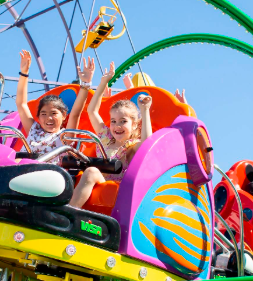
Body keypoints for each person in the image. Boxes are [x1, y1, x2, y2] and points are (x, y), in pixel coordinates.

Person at [68, 61, 152, 209]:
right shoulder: (105, 137)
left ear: (134, 125)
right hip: (99, 183)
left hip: (118, 190)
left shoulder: (131, 145)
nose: (117, 126)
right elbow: (92, 111)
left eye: (123, 121)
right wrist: (103, 82)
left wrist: (144, 110)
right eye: (113, 121)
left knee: (91, 171)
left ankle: (70, 211)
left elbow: (147, 144)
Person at [17, 50, 71, 158]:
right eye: (44, 114)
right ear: (38, 117)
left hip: (46, 168)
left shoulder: (64, 136)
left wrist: (85, 85)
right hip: (23, 166)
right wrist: (24, 73)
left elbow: (75, 114)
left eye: (53, 113)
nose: (48, 118)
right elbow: (21, 103)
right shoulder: (34, 130)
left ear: (64, 115)